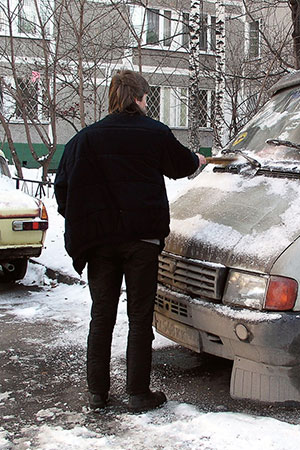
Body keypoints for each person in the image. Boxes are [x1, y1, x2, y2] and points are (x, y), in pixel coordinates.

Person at [55, 70, 205, 412]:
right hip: (142, 241)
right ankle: (138, 394)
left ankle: (97, 394)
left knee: (101, 315)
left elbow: (63, 188)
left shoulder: (86, 139)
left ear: (112, 97)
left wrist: (87, 220)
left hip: (100, 243)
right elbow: (181, 165)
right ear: (140, 98)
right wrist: (199, 160)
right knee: (140, 318)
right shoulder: (153, 133)